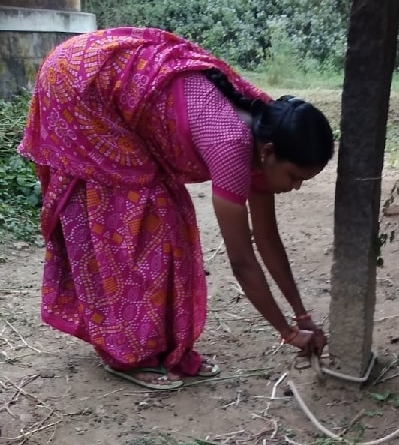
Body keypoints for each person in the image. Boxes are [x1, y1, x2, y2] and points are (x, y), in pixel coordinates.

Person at [18, 26, 333, 390]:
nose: (294, 188)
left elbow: (267, 237)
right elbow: (242, 261)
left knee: (172, 225)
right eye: (294, 176)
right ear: (268, 153)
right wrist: (288, 333)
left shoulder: (268, 129)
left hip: (110, 79)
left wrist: (303, 315)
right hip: (80, 84)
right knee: (141, 220)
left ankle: (164, 348)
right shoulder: (232, 143)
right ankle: (127, 355)